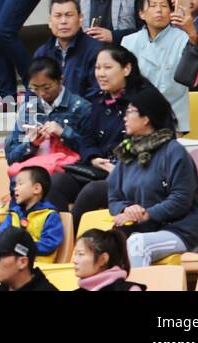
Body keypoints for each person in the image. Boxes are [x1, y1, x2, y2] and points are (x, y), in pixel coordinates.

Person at [107, 84, 198, 267]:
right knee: (97, 246)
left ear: (146, 118)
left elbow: (181, 199)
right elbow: (114, 196)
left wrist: (147, 214)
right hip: (140, 230)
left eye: (130, 111)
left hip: (180, 231)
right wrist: (126, 210)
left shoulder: (174, 151)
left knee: (138, 245)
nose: (125, 117)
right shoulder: (127, 154)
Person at [47, 45, 148, 217]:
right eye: (97, 68)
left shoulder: (145, 100)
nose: (101, 73)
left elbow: (151, 144)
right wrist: (94, 158)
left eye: (107, 68)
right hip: (98, 169)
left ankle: (76, 240)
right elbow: (87, 140)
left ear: (127, 69)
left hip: (131, 174)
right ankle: (59, 237)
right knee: (55, 183)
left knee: (92, 191)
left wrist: (118, 166)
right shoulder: (99, 101)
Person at [0, 164, 64, 272]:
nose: (15, 188)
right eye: (15, 184)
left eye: (20, 184)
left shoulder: (49, 215)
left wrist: (20, 248)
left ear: (36, 188)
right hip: (10, 256)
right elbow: (1, 236)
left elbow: (49, 245)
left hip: (34, 261)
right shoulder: (14, 213)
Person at [122, 0, 192, 133]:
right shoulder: (128, 41)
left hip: (174, 113)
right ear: (142, 14)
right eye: (153, 6)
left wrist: (192, 33)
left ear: (171, 12)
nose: (159, 10)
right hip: (138, 114)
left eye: (164, 6)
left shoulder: (184, 38)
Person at [5, 57, 90, 171]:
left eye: (47, 87)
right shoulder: (27, 110)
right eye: (35, 88)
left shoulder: (81, 107)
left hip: (67, 173)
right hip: (33, 173)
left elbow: (92, 150)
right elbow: (12, 158)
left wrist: (64, 133)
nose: (41, 93)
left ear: (61, 80)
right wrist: (31, 144)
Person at [32, 0, 103, 105]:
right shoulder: (42, 53)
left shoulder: (97, 51)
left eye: (69, 15)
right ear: (50, 22)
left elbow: (97, 94)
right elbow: (32, 91)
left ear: (80, 19)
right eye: (58, 16)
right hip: (48, 115)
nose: (63, 21)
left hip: (83, 115)